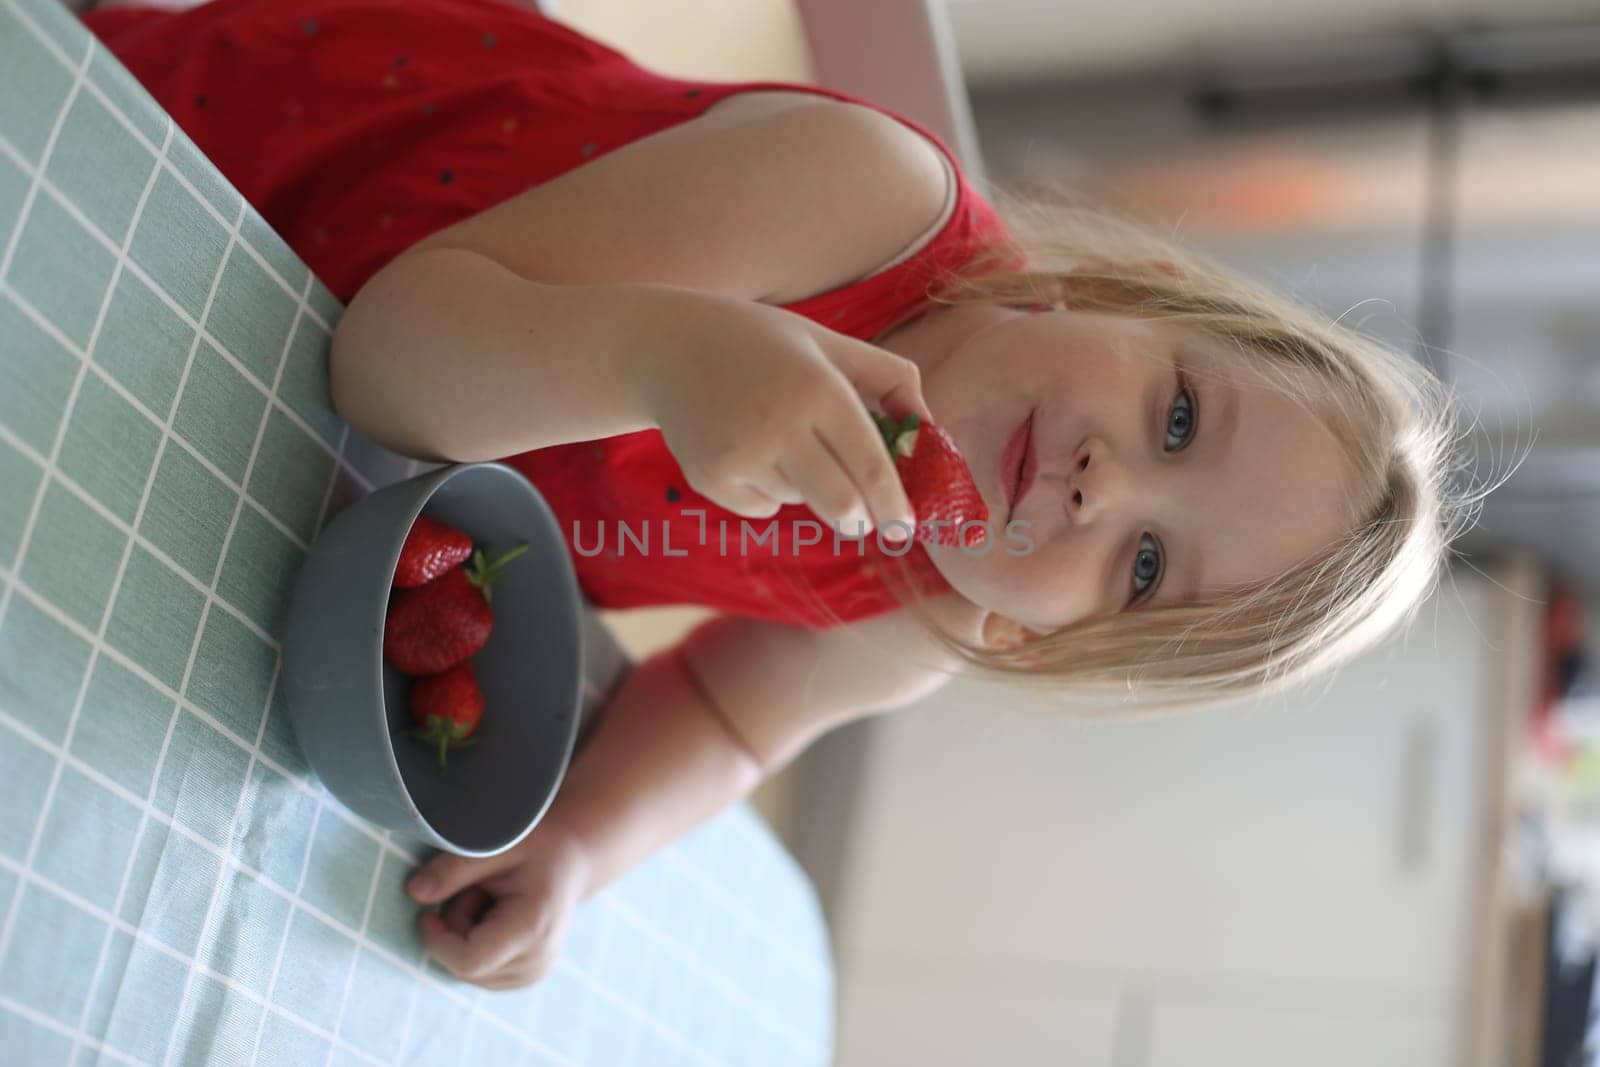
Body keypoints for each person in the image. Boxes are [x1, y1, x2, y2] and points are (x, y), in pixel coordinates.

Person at [81, 0, 1471, 992]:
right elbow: (386, 351)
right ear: (1110, 294)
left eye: (1149, 568)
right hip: (223, 186)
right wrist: (662, 353)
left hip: (327, 473)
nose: (1110, 487)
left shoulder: (918, 606)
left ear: (1022, 639)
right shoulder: (860, 203)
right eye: (1176, 415)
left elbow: (733, 713)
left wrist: (579, 848)